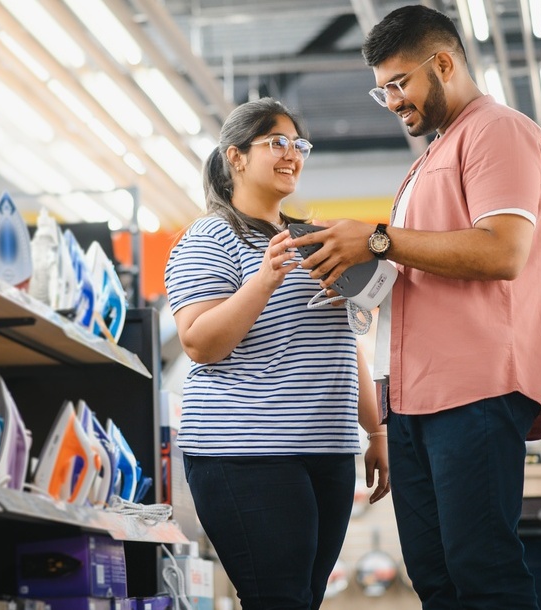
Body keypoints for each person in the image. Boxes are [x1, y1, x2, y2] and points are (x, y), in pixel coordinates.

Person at [288, 6, 541, 609]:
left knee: (482, 571)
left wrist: (377, 238)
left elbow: (503, 251)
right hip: (412, 400)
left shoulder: (497, 131)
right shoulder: (426, 162)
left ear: (443, 63)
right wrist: (355, 266)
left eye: (399, 83)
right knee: (436, 580)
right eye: (380, 89)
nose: (390, 101)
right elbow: (423, 265)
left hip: (475, 389)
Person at [164, 97, 390, 610]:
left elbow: (340, 345)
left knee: (304, 599)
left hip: (326, 450)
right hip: (245, 452)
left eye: (299, 144)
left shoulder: (313, 239)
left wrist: (376, 431)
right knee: (279, 599)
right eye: (276, 142)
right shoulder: (210, 238)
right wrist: (264, 279)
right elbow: (200, 342)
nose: (293, 154)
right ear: (236, 157)